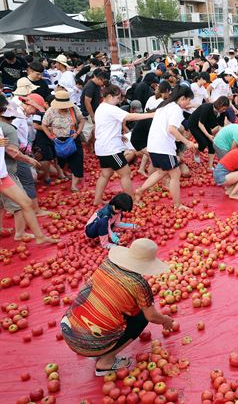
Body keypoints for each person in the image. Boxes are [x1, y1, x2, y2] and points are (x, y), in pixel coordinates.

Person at [60, 238, 175, 376]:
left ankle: (96, 346)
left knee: (126, 310)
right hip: (89, 342)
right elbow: (151, 316)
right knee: (141, 318)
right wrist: (165, 320)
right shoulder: (139, 284)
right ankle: (106, 362)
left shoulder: (107, 264)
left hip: (70, 331)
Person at [0, 95, 57, 244]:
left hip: (3, 174)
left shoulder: (2, 127)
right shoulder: (8, 129)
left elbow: (11, 151)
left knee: (25, 202)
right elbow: (13, 151)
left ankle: (39, 236)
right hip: (5, 172)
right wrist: (27, 159)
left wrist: (27, 158)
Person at [134, 86, 197, 210]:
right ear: (182, 98)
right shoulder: (176, 110)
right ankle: (177, 205)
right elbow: (172, 129)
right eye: (188, 100)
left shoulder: (164, 106)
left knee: (161, 172)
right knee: (175, 174)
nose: (189, 103)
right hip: (163, 146)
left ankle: (140, 191)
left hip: (153, 145)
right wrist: (187, 142)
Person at [93, 85, 155, 205]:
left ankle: (97, 200)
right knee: (125, 173)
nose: (119, 101)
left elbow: (102, 127)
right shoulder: (110, 108)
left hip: (102, 147)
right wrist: (151, 115)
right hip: (111, 149)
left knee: (105, 174)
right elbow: (129, 116)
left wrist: (117, 135)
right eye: (117, 98)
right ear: (110, 96)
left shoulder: (101, 108)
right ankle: (131, 200)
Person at [41, 90, 86, 192]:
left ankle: (74, 185)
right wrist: (50, 136)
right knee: (62, 162)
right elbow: (44, 125)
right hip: (59, 141)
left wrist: (77, 132)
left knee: (77, 161)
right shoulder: (51, 111)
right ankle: (64, 173)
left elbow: (82, 120)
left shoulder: (73, 109)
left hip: (73, 139)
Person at [188, 96, 230, 170]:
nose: (224, 111)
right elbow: (200, 124)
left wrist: (219, 138)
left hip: (206, 124)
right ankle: (196, 154)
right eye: (223, 109)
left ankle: (210, 167)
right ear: (219, 105)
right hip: (194, 124)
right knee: (203, 143)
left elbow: (220, 126)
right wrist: (208, 135)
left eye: (225, 109)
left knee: (212, 144)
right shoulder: (206, 108)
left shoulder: (222, 112)